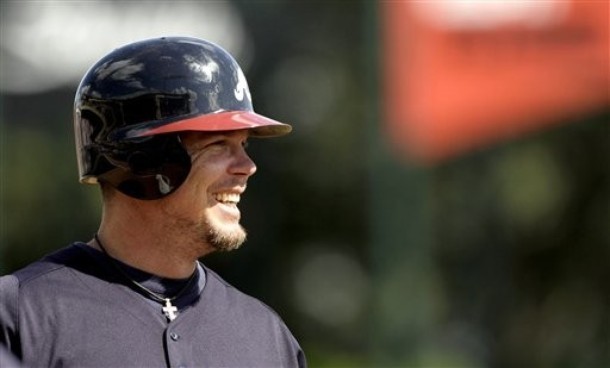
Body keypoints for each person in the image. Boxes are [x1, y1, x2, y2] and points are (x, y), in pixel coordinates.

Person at [0, 36, 306, 367]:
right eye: (218, 144)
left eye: (244, 144)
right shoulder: (21, 314)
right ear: (144, 161)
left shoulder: (266, 335)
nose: (247, 167)